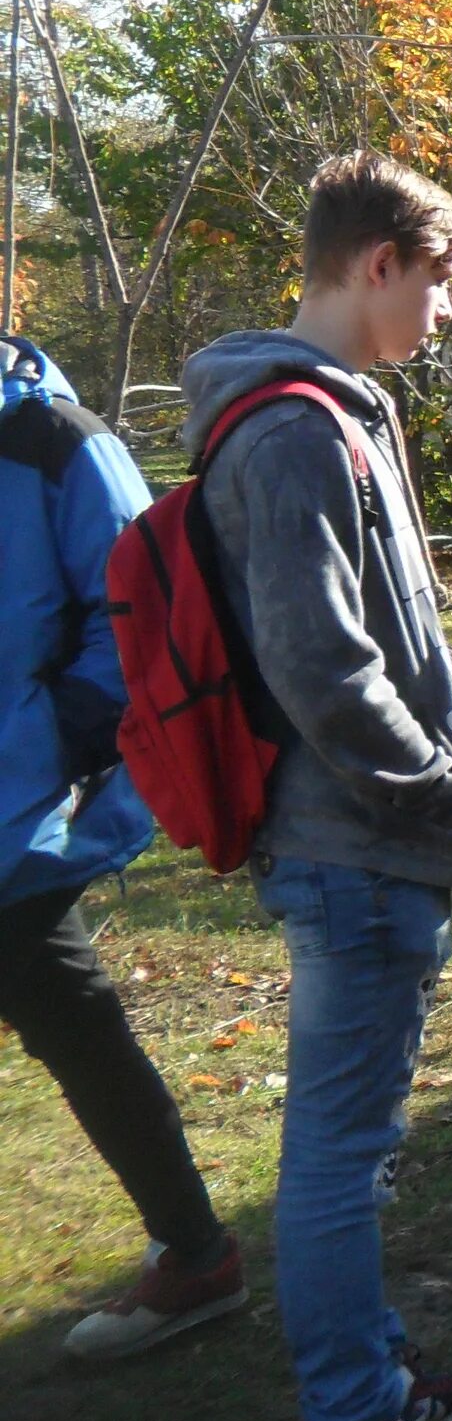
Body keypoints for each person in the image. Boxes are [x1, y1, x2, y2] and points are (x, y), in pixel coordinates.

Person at [179, 151, 452, 1421]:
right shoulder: (294, 431)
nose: (445, 318)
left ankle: (371, 1372)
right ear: (379, 261)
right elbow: (320, 662)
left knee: (351, 1144)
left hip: (353, 842)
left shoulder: (329, 410)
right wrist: (428, 778)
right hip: (355, 844)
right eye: (440, 287)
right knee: (335, 1155)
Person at [0, 334, 242, 1360]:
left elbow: (143, 612)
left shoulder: (56, 441)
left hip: (14, 821)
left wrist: (42, 743)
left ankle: (196, 1256)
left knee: (80, 1034)